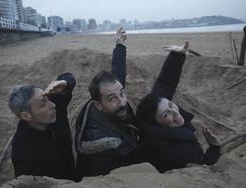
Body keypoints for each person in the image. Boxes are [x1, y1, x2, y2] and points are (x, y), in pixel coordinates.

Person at [136, 41, 221, 173]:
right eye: (166, 115)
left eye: (170, 105)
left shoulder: (148, 119)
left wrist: (177, 56)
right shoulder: (178, 153)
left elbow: (165, 84)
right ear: (157, 124)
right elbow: (203, 170)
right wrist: (214, 147)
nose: (175, 112)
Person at [75, 28, 141, 177]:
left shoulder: (109, 105)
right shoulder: (101, 145)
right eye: (112, 98)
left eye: (122, 93)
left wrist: (119, 46)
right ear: (98, 105)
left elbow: (118, 74)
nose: (122, 102)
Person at [9, 73, 79, 181]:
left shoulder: (52, 109)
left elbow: (68, 78)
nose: (52, 104)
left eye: (48, 99)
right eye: (43, 104)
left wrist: (65, 83)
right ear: (26, 115)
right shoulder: (24, 154)